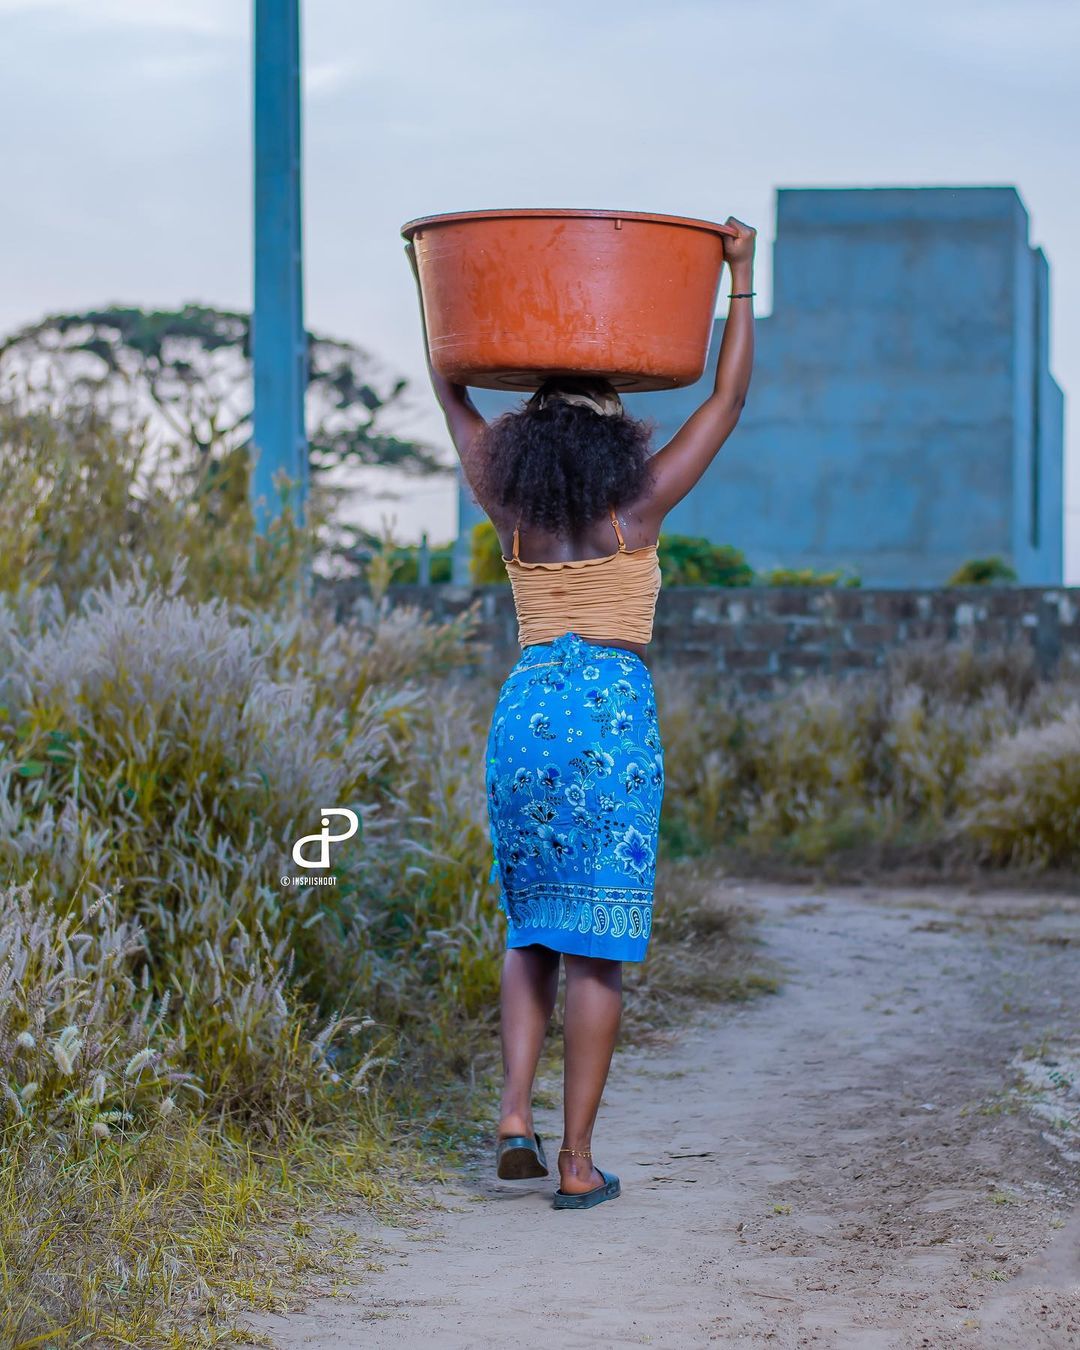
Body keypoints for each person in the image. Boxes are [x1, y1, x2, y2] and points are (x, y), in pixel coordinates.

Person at [405, 217, 756, 1210]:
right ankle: (574, 1162)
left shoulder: (501, 501)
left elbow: (450, 383)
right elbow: (726, 401)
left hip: (524, 719)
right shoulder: (634, 507)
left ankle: (514, 1112)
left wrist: (430, 286)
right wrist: (742, 280)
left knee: (530, 933)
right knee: (597, 944)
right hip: (606, 720)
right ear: (613, 430)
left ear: (531, 439)